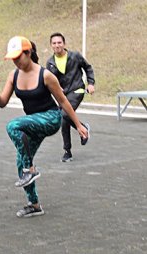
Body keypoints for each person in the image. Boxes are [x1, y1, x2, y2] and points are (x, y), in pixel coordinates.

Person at [0, 36, 88, 218]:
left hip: (50, 119)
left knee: (13, 126)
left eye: (19, 57)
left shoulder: (46, 75)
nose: (16, 61)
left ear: (29, 53)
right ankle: (34, 204)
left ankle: (31, 169)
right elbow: (2, 103)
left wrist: (79, 125)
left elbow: (63, 101)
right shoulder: (14, 75)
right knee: (21, 161)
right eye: (13, 58)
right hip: (33, 122)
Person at [46, 32, 95, 162]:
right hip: (62, 95)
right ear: (51, 45)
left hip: (77, 90)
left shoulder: (75, 56)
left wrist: (91, 83)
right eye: (54, 43)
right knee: (64, 121)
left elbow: (88, 68)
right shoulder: (50, 63)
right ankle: (67, 152)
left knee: (65, 115)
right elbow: (49, 80)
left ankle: (82, 127)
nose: (57, 45)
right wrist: (55, 87)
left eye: (59, 42)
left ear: (64, 44)